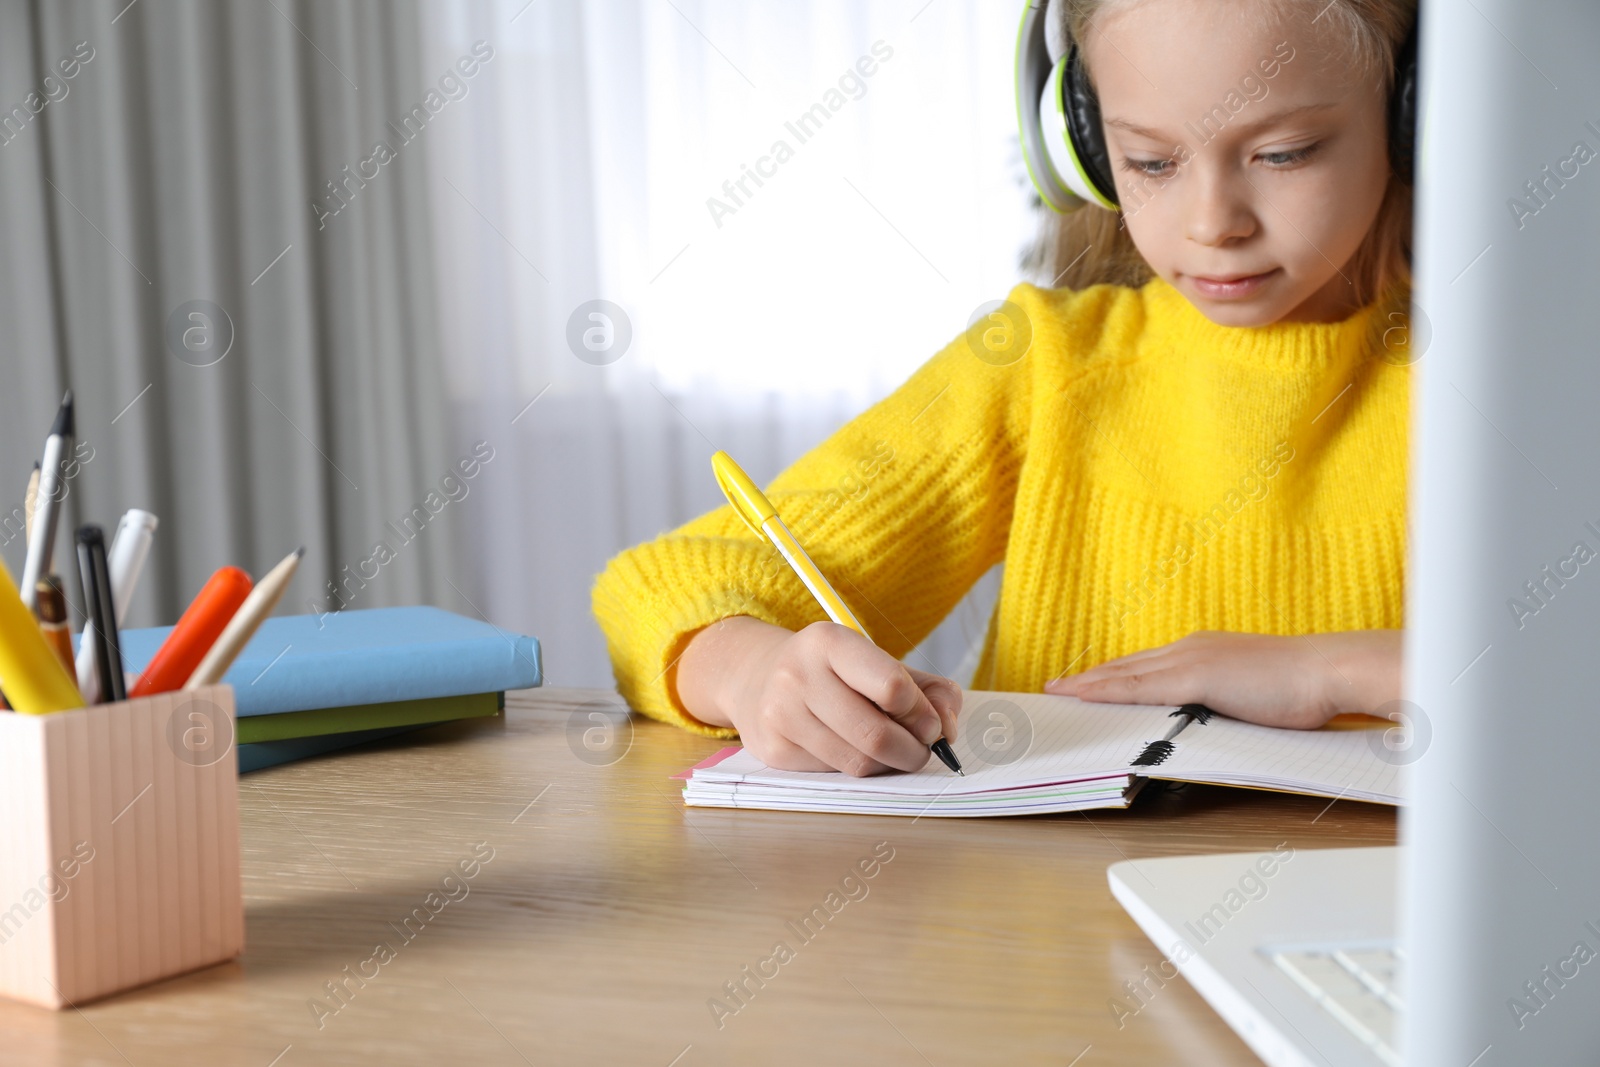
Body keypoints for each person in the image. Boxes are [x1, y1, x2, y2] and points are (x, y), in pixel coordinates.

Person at [592, 0, 1417, 777]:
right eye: (1150, 161)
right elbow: (661, 583)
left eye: (1283, 153)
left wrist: (1340, 671)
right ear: (1085, 148)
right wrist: (752, 670)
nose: (1212, 222)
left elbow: (1551, 666)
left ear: (1416, 115)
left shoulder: (1508, 384)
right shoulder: (1045, 367)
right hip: (1037, 915)